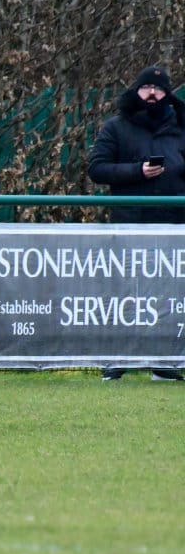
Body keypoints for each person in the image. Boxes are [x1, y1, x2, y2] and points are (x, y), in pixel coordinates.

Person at [88, 65, 185, 382]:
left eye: (158, 89)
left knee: (168, 294)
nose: (152, 94)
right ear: (136, 91)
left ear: (167, 93)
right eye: (146, 88)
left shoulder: (181, 126)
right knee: (124, 292)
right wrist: (137, 171)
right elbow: (97, 169)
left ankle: (164, 362)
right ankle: (118, 358)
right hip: (129, 225)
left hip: (173, 226)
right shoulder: (116, 127)